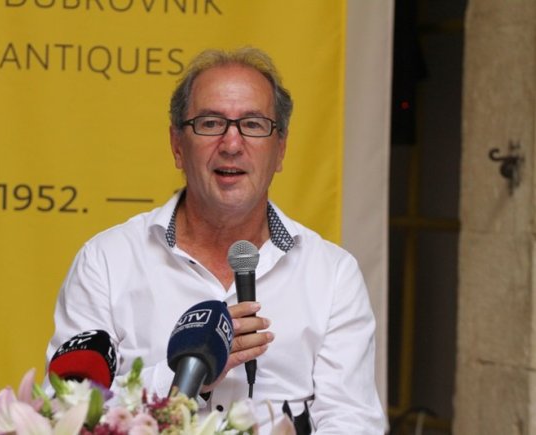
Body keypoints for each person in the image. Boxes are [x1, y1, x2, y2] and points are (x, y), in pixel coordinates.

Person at [45, 47, 386, 433]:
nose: (232, 144)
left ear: (281, 149)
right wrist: (184, 374)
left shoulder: (333, 274)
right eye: (210, 123)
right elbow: (62, 412)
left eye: (253, 124)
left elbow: (353, 421)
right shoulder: (106, 261)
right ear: (177, 145)